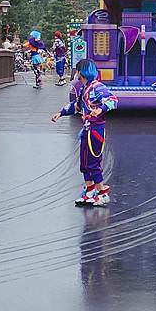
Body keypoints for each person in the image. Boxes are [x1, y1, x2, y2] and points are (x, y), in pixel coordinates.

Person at [51, 59, 118, 207]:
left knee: (93, 162)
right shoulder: (84, 88)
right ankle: (89, 190)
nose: (76, 73)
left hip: (96, 129)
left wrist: (100, 109)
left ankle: (102, 193)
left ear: (82, 72)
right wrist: (60, 113)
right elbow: (77, 106)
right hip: (86, 129)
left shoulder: (97, 87)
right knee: (85, 162)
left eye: (78, 70)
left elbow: (113, 100)